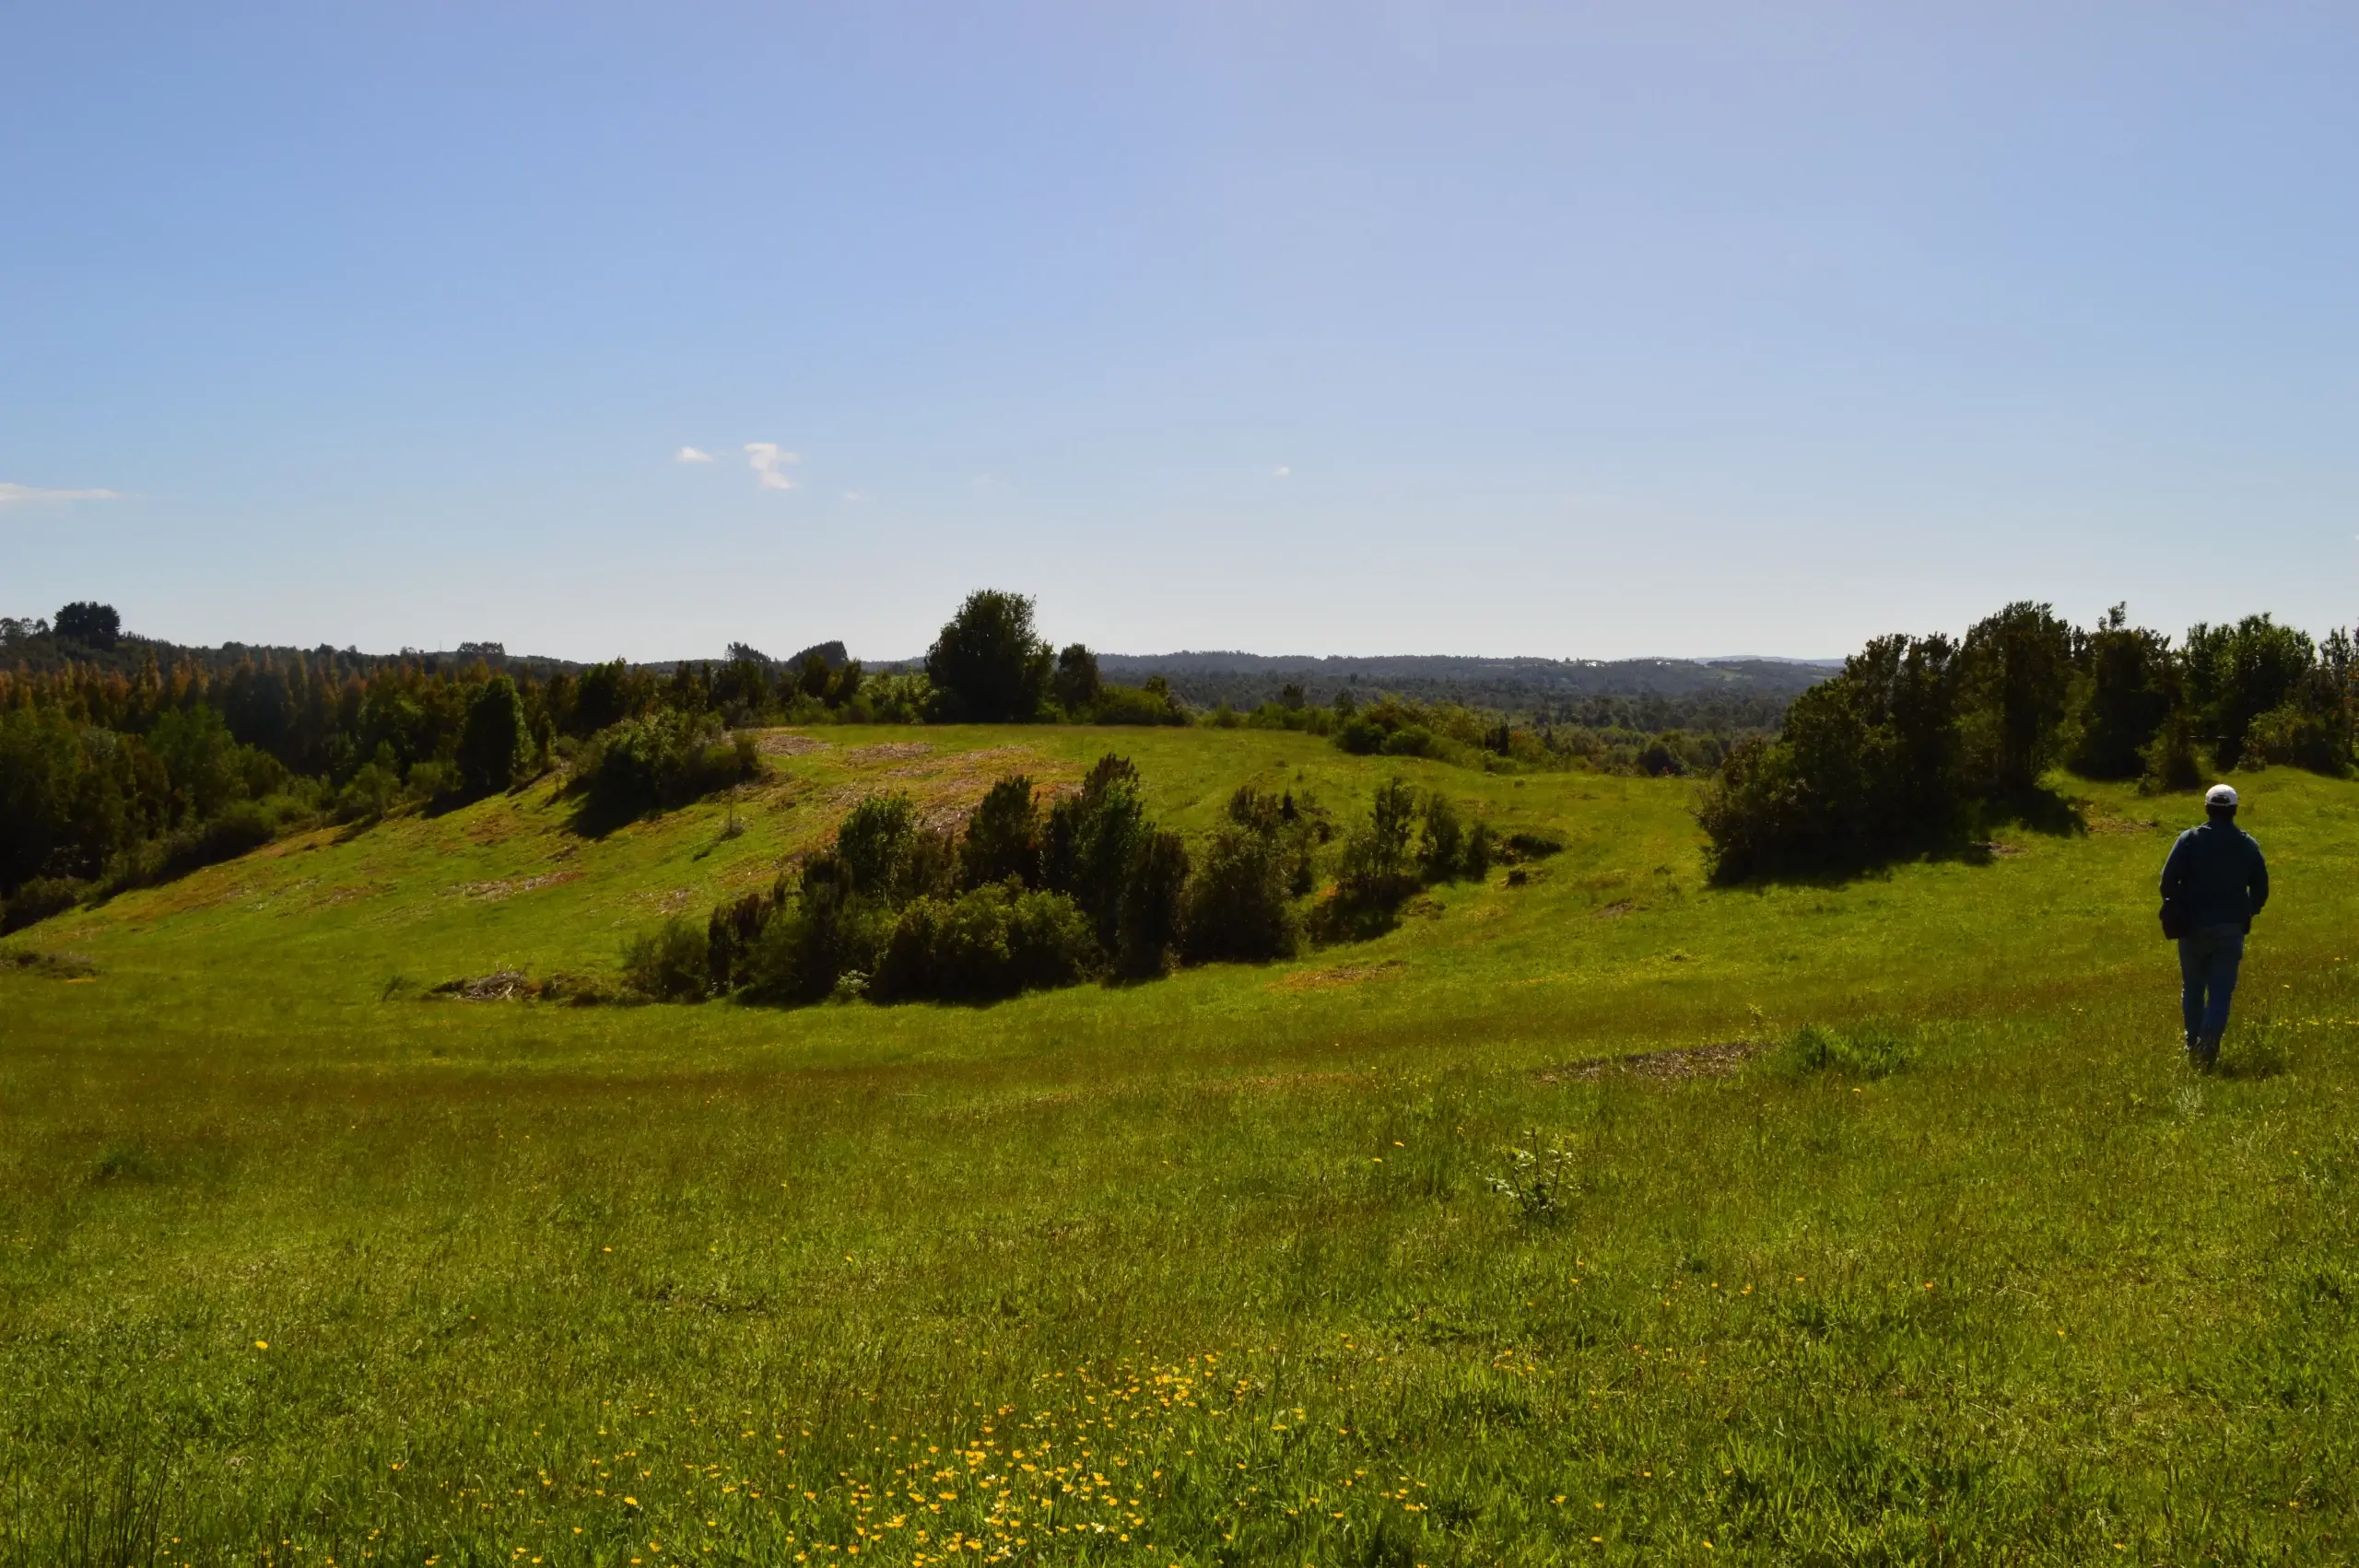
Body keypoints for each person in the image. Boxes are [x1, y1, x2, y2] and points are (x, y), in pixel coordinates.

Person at [2159, 783, 2269, 1070]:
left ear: (2207, 808)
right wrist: (2248, 910)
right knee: (2220, 992)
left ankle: (2191, 1045)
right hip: (2230, 928)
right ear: (2234, 810)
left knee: (2193, 987)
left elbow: (2167, 881)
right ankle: (2208, 1048)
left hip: (2192, 927)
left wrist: (2177, 905)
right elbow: (2261, 888)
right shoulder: (2247, 844)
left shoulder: (2189, 839)